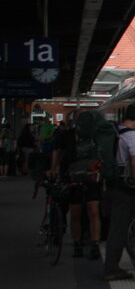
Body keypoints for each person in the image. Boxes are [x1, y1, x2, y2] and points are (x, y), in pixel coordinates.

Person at [101, 104, 135, 281]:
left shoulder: (117, 132)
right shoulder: (133, 136)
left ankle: (114, 265)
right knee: (119, 229)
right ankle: (111, 269)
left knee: (117, 226)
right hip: (124, 188)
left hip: (111, 185)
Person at [48, 111, 102, 259]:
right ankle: (89, 244)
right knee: (91, 212)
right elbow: (57, 151)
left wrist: (54, 168)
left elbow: (56, 151)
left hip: (83, 177)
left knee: (78, 213)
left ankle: (86, 244)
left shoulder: (93, 135)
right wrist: (54, 168)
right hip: (84, 177)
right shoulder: (71, 135)